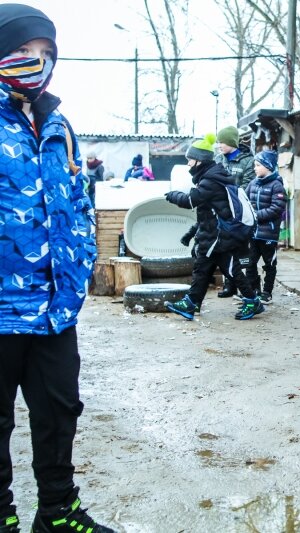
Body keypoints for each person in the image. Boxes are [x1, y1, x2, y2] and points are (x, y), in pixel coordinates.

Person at [0, 5, 115, 532]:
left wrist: (81, 259)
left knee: (59, 411)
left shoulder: (56, 124)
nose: (37, 62)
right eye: (24, 51)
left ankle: (58, 514)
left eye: (46, 53)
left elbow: (76, 198)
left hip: (53, 306)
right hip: (2, 306)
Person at [163, 134, 263, 321]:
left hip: (217, 236)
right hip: (214, 235)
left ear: (199, 160)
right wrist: (191, 234)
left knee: (223, 269)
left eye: (190, 160)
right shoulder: (211, 176)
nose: (188, 164)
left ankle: (251, 301)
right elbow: (207, 212)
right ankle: (192, 303)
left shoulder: (210, 180)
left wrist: (172, 195)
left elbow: (191, 201)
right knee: (206, 268)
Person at [215, 125, 256, 298]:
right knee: (225, 249)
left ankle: (251, 286)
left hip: (239, 212)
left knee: (243, 252)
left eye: (222, 142)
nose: (219, 145)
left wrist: (232, 199)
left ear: (232, 142)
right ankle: (229, 285)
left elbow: (247, 185)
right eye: (218, 142)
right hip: (222, 211)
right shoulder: (219, 160)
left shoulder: (248, 161)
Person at [245, 150, 287, 304]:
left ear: (268, 166)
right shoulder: (252, 184)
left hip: (268, 234)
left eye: (258, 165)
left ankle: (267, 292)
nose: (255, 168)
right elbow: (245, 202)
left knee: (269, 264)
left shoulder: (277, 185)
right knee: (250, 263)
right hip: (252, 233)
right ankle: (254, 290)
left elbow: (276, 208)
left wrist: (255, 215)